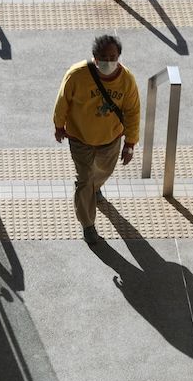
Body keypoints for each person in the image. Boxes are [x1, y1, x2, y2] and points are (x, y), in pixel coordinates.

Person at [53, 34, 141, 245]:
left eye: (113, 56)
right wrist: (59, 125)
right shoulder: (77, 74)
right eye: (103, 56)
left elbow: (133, 111)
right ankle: (88, 224)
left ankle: (96, 186)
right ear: (94, 56)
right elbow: (62, 101)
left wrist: (130, 143)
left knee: (102, 173)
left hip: (110, 139)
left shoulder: (127, 80)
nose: (108, 61)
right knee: (84, 181)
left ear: (119, 56)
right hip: (80, 138)